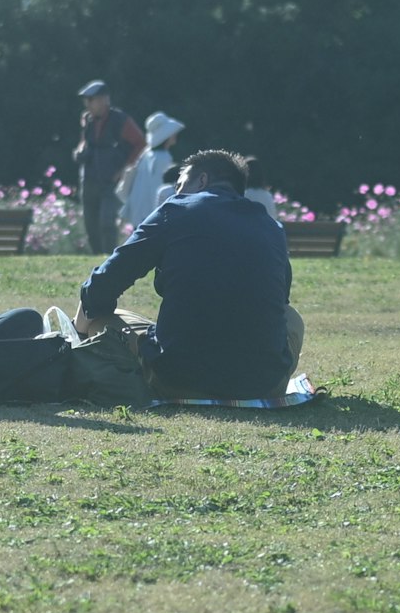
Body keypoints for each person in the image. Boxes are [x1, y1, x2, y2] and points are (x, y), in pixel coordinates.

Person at [75, 148, 304, 401]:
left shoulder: (175, 210)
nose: (176, 193)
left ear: (202, 180)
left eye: (180, 185)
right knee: (292, 318)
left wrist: (82, 328)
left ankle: (80, 346)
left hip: (178, 378)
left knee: (99, 320)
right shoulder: (271, 226)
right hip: (264, 384)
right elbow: (280, 300)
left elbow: (103, 285)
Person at [73, 80, 142, 254]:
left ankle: (109, 257)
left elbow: (140, 144)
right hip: (89, 180)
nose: (87, 104)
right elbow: (84, 142)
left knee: (107, 221)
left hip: (112, 181)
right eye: (86, 100)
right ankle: (96, 257)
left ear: (104, 100)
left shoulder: (121, 120)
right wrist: (79, 151)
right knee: (90, 224)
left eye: (91, 99)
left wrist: (124, 170)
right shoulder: (87, 120)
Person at [120, 110, 181, 233]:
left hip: (139, 212)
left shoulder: (146, 155)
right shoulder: (163, 158)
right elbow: (159, 188)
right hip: (152, 214)